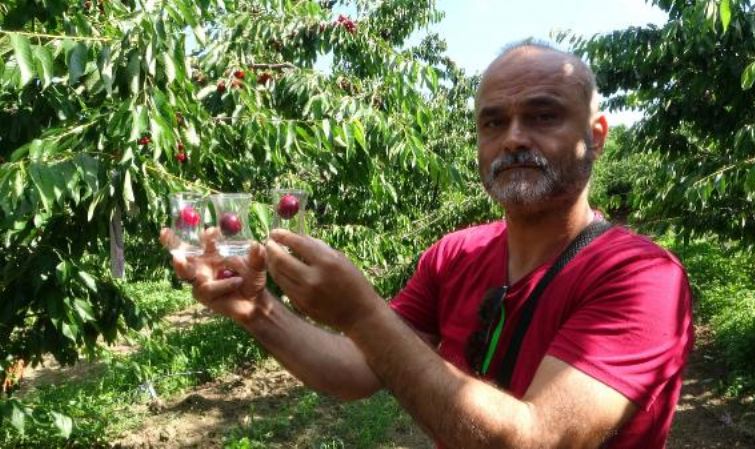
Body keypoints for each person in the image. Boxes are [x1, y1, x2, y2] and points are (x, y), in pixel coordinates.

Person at [162, 40, 693, 449]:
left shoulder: (643, 278)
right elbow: (357, 370)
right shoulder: (455, 254)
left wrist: (361, 313)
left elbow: (537, 440)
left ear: (596, 135)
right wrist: (258, 311)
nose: (513, 137)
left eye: (543, 115)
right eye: (493, 122)